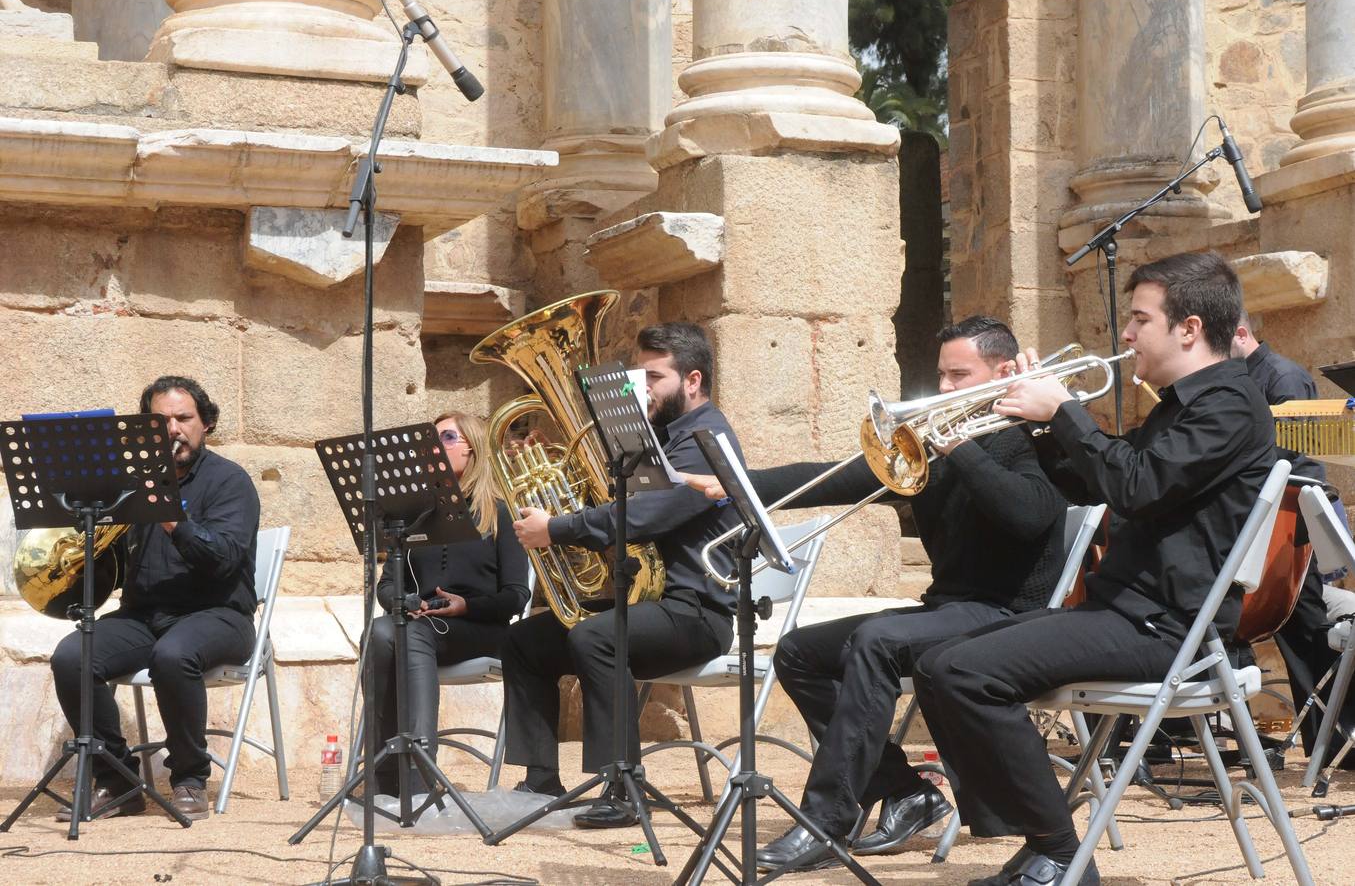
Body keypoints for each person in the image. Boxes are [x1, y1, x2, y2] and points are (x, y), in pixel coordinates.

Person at [914, 251, 1276, 886]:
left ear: (1188, 328)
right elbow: (1089, 482)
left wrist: (1062, 410)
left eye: (1140, 319)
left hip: (1164, 629)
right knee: (939, 660)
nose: (1127, 335)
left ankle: (1056, 850)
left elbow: (1136, 486)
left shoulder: (1230, 405)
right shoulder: (1180, 406)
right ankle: (1043, 842)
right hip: (1126, 614)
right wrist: (1025, 420)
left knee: (960, 672)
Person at [688, 317, 1067, 871]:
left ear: (1005, 372)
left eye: (959, 375)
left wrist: (960, 446)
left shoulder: (1033, 438)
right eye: (940, 375)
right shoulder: (936, 447)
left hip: (1008, 616)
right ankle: (906, 790)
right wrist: (741, 484)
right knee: (800, 651)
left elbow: (1027, 515)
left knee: (878, 637)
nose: (943, 390)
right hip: (949, 610)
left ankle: (826, 822)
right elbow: (840, 478)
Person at [503, 322, 744, 829]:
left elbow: (646, 516)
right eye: (639, 377)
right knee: (525, 641)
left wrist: (560, 527)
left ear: (693, 380)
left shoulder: (706, 438)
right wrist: (559, 475)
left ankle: (622, 786)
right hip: (643, 602)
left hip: (694, 611)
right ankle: (540, 778)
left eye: (654, 378)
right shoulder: (651, 439)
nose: (643, 390)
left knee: (595, 638)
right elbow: (614, 505)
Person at [49, 376, 261, 821]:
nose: (172, 429)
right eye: (159, 421)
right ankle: (117, 779)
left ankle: (189, 777)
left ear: (205, 424)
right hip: (143, 615)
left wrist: (170, 517)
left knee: (173, 654)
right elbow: (116, 570)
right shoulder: (127, 486)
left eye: (184, 418)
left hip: (219, 614)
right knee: (72, 656)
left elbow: (223, 560)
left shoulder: (230, 482)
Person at [366, 412, 529, 797]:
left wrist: (465, 607)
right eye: (430, 442)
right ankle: (383, 776)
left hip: (481, 627)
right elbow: (387, 584)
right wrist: (404, 602)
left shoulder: (499, 512)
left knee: (411, 633)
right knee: (380, 630)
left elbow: (517, 595)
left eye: (447, 438)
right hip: (422, 622)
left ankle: (419, 776)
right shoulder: (416, 515)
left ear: (472, 448)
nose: (434, 449)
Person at [1234, 311, 1355, 769]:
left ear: (1242, 333)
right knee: (1289, 627)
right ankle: (1326, 741)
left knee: (1304, 628)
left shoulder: (1282, 376)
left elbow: (1292, 457)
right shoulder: (1243, 379)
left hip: (1292, 522)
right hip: (1261, 523)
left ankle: (1334, 740)